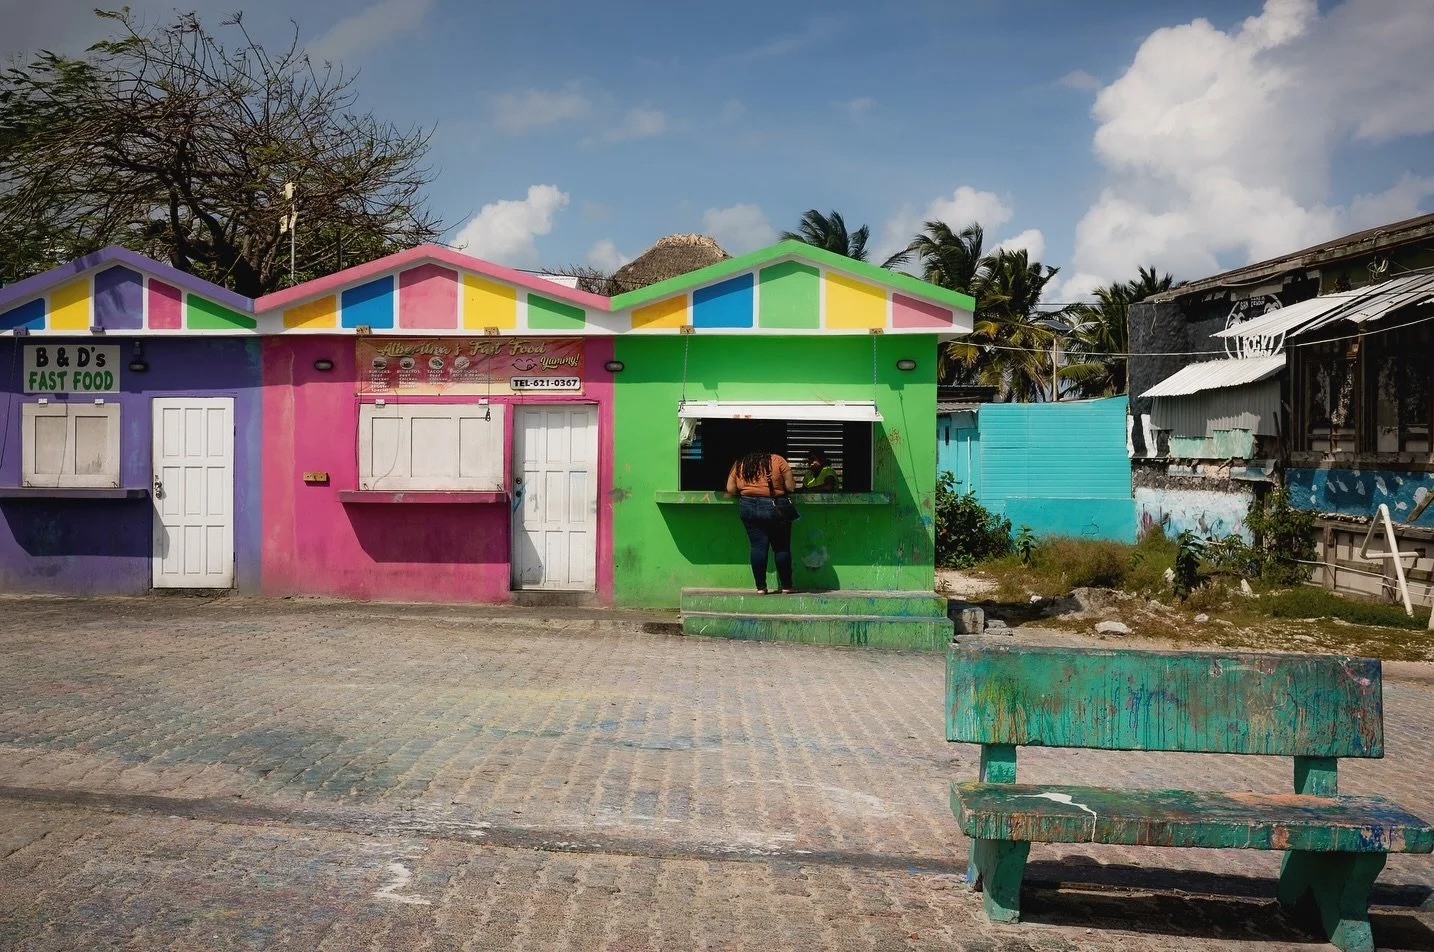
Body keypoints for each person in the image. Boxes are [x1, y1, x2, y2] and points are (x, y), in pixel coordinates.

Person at [726, 450, 796, 594]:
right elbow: (791, 487)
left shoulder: (740, 464)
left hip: (747, 507)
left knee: (758, 547)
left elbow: (731, 489)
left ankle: (761, 588)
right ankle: (787, 586)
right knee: (781, 548)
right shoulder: (778, 461)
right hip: (775, 508)